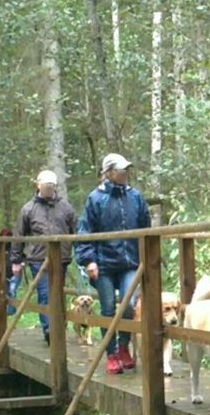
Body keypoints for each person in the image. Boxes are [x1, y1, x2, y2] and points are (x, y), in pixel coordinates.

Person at [75, 153, 151, 374]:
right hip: (103, 263)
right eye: (120, 169)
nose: (125, 173)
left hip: (129, 261)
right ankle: (111, 353)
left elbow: (146, 227)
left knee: (128, 304)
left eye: (126, 169)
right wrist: (89, 260)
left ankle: (124, 346)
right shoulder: (96, 198)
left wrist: (147, 256)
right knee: (108, 308)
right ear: (108, 173)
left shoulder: (135, 196)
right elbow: (84, 231)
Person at [9, 170, 78, 344]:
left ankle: (59, 326)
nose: (49, 189)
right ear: (38, 185)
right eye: (46, 186)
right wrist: (16, 260)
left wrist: (83, 255)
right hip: (38, 259)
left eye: (51, 186)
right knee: (45, 294)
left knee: (58, 293)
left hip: (61, 258)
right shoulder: (28, 209)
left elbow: (76, 231)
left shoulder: (66, 207)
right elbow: (18, 235)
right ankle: (50, 331)